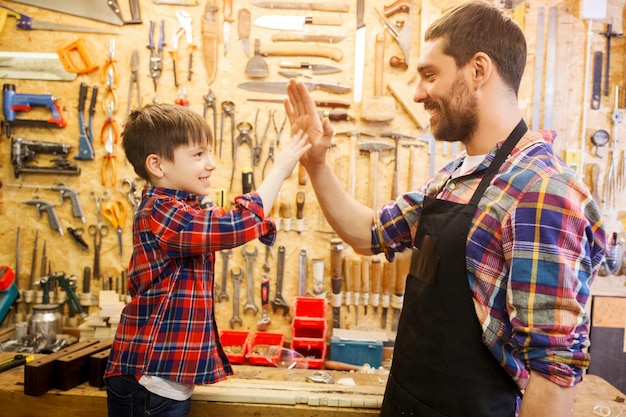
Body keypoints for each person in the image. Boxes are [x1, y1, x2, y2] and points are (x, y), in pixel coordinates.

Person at [285, 1, 606, 416]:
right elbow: (369, 233)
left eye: (430, 75)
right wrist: (316, 163)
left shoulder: (542, 191)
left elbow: (552, 376)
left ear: (477, 71)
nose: (418, 93)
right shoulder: (455, 176)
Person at [104, 103, 310, 417]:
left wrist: (258, 222)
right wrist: (280, 169)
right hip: (146, 384)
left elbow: (235, 224)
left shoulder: (185, 209)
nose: (211, 164)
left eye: (209, 153)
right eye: (199, 155)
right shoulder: (161, 213)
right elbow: (235, 227)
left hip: (159, 384)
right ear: (158, 165)